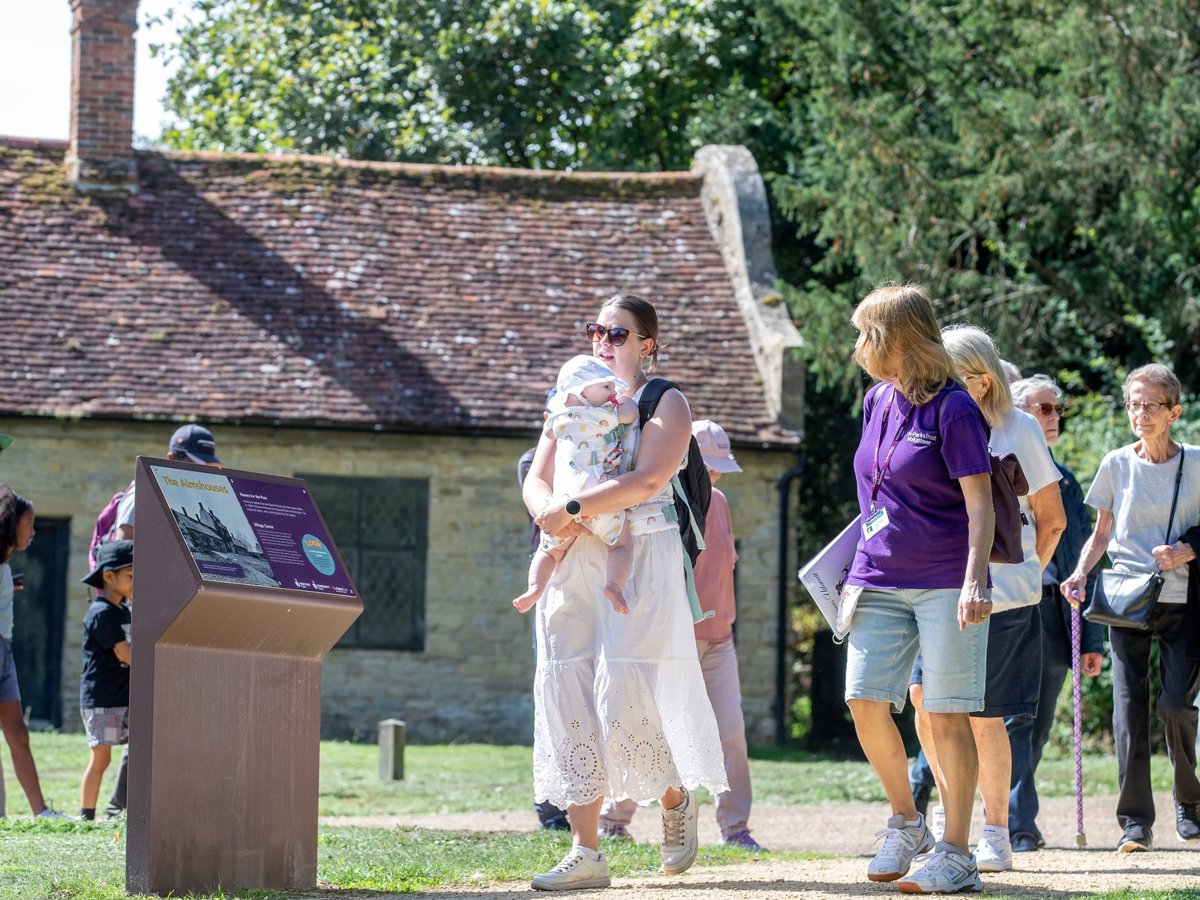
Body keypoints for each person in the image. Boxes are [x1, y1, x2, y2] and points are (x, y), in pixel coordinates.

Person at [523, 293, 727, 891]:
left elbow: (650, 478)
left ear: (647, 345)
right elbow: (538, 475)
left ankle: (671, 796)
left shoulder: (666, 401)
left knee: (622, 693)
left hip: (641, 552)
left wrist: (572, 506)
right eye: (597, 331)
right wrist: (548, 516)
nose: (603, 342)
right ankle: (586, 851)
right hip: (570, 552)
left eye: (617, 334)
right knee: (567, 684)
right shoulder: (569, 397)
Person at [842, 285, 994, 894]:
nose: (857, 347)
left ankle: (958, 854)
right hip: (877, 576)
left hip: (944, 580)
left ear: (894, 340)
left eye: (864, 334)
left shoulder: (954, 409)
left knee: (947, 712)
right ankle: (908, 821)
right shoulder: (877, 399)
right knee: (863, 699)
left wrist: (975, 577)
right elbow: (873, 490)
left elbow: (979, 502)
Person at [910, 326, 1065, 873]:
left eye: (946, 375)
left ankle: (995, 830)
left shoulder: (1019, 428)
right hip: (931, 591)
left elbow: (1052, 523)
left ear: (979, 381)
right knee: (926, 707)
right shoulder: (928, 422)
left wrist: (1021, 578)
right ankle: (950, 821)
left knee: (984, 717)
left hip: (999, 601)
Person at [598, 420, 765, 852]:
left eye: (718, 471)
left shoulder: (721, 504)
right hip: (670, 638)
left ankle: (735, 829)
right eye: (708, 468)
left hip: (718, 640)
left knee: (731, 732)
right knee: (650, 725)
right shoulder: (659, 501)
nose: (714, 477)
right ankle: (614, 819)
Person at [1060, 363, 1200, 852]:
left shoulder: (1198, 463)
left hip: (1183, 600)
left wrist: (1187, 549)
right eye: (1133, 404)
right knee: (1127, 711)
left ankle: (1189, 802)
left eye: (1151, 404)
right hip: (1126, 599)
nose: (1140, 412)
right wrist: (1079, 573)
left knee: (1177, 705)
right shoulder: (1116, 463)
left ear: (1174, 412)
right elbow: (1100, 534)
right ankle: (1135, 822)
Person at [104, 423, 223, 818]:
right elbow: (123, 548)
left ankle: (154, 803)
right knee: (149, 708)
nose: (200, 471)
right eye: (194, 463)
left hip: (176, 610)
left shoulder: (184, 493)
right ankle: (119, 807)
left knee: (175, 708)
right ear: (172, 458)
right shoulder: (143, 494)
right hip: (146, 613)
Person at [1006, 374, 1105, 852]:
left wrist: (1090, 639)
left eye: (1056, 409)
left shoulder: (1065, 480)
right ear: (1020, 414)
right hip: (1009, 607)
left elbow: (1086, 561)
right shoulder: (998, 466)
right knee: (1015, 721)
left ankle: (1012, 815)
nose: (1053, 417)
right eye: (1043, 409)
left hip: (1052, 612)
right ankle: (1018, 825)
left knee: (1039, 725)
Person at [513, 356, 638, 615]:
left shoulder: (557, 420)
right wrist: (623, 402)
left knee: (548, 552)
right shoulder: (603, 415)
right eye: (606, 387)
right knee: (622, 545)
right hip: (599, 498)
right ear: (582, 391)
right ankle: (614, 585)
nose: (613, 391)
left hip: (561, 502)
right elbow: (631, 412)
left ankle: (535, 588)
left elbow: (547, 441)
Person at [0, 485, 70, 819]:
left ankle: (41, 811)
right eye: (29, 524)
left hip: (5, 651)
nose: (33, 532)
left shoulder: (5, 563)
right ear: (10, 523)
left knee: (18, 733)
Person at [518, 444, 571, 834]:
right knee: (553, 694)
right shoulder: (531, 461)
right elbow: (549, 513)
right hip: (555, 587)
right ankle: (551, 808)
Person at [77, 540, 133, 821]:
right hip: (102, 699)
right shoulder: (101, 613)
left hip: (122, 697)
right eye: (131, 576)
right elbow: (125, 652)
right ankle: (86, 815)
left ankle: (123, 810)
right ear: (109, 577)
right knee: (101, 758)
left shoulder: (124, 611)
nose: (137, 581)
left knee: (129, 751)